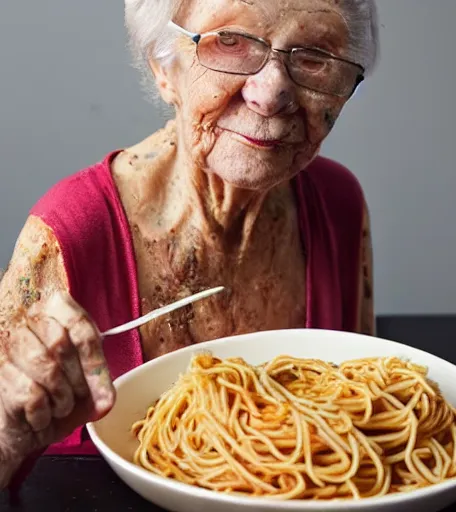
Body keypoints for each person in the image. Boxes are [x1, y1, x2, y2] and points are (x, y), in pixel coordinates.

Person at [0, 0, 379, 489]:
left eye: (314, 56)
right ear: (163, 64)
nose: (271, 94)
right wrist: (8, 434)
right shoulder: (72, 231)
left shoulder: (339, 205)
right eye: (230, 41)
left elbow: (362, 438)